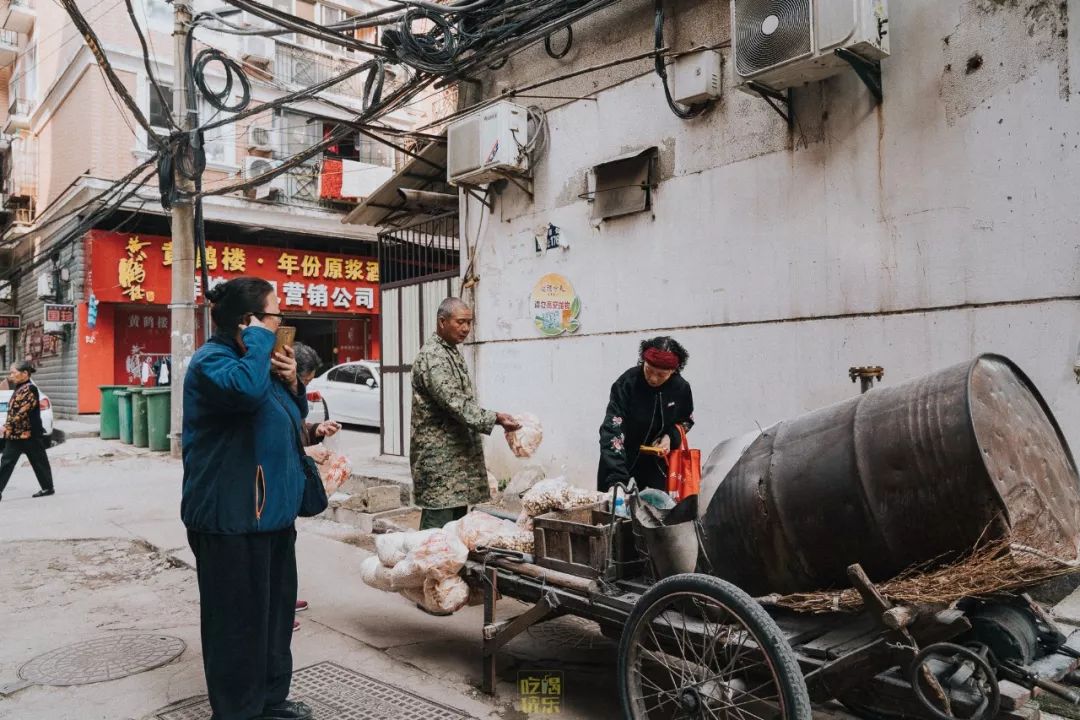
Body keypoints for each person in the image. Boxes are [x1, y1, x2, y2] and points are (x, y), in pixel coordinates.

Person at [181, 277, 313, 720]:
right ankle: (238, 711)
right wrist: (259, 340)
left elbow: (287, 416)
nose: (281, 324)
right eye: (274, 315)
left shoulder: (256, 361)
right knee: (237, 627)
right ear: (249, 321)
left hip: (273, 516)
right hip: (230, 519)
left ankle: (270, 701)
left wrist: (294, 383)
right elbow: (243, 393)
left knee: (274, 621)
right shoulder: (213, 362)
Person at [410, 297, 520, 531]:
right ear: (442, 322)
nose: (466, 329)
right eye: (460, 322)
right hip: (439, 461)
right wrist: (495, 418)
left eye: (469, 323)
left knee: (455, 527)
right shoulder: (434, 357)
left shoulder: (450, 351)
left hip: (454, 460)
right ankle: (427, 568)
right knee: (437, 529)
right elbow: (454, 402)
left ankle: (449, 567)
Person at [597, 336, 694, 493]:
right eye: (649, 370)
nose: (653, 379)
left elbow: (686, 420)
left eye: (661, 375)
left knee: (652, 513)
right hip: (620, 460)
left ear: (673, 371)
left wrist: (670, 437)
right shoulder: (627, 383)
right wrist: (617, 479)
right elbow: (612, 428)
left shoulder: (680, 388)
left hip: (655, 467)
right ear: (643, 361)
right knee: (613, 511)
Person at [289, 341, 341, 632]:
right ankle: (276, 609)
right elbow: (273, 443)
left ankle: (284, 598)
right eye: (304, 381)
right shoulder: (270, 395)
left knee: (286, 543)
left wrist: (316, 431)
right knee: (275, 548)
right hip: (267, 491)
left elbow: (295, 432)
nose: (306, 389)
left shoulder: (291, 397)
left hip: (288, 485)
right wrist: (305, 453)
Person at [0, 362, 55, 502]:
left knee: (39, 461)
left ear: (24, 373)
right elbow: (13, 411)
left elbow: (21, 412)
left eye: (13, 372)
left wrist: (7, 426)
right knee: (6, 462)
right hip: (17, 434)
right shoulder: (19, 387)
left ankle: (48, 488)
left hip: (29, 433)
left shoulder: (31, 389)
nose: (11, 375)